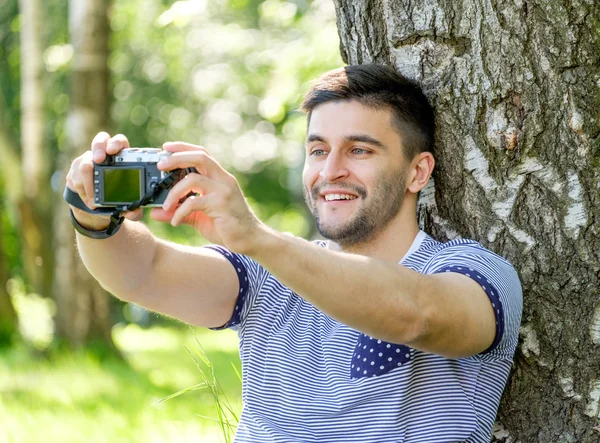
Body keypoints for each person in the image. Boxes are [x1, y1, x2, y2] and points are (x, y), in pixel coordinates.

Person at [66, 64, 522, 443]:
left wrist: (257, 237)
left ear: (417, 172)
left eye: (359, 150)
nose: (330, 171)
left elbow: (416, 314)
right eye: (318, 150)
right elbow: (142, 274)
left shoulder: (475, 271)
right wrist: (90, 215)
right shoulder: (268, 272)